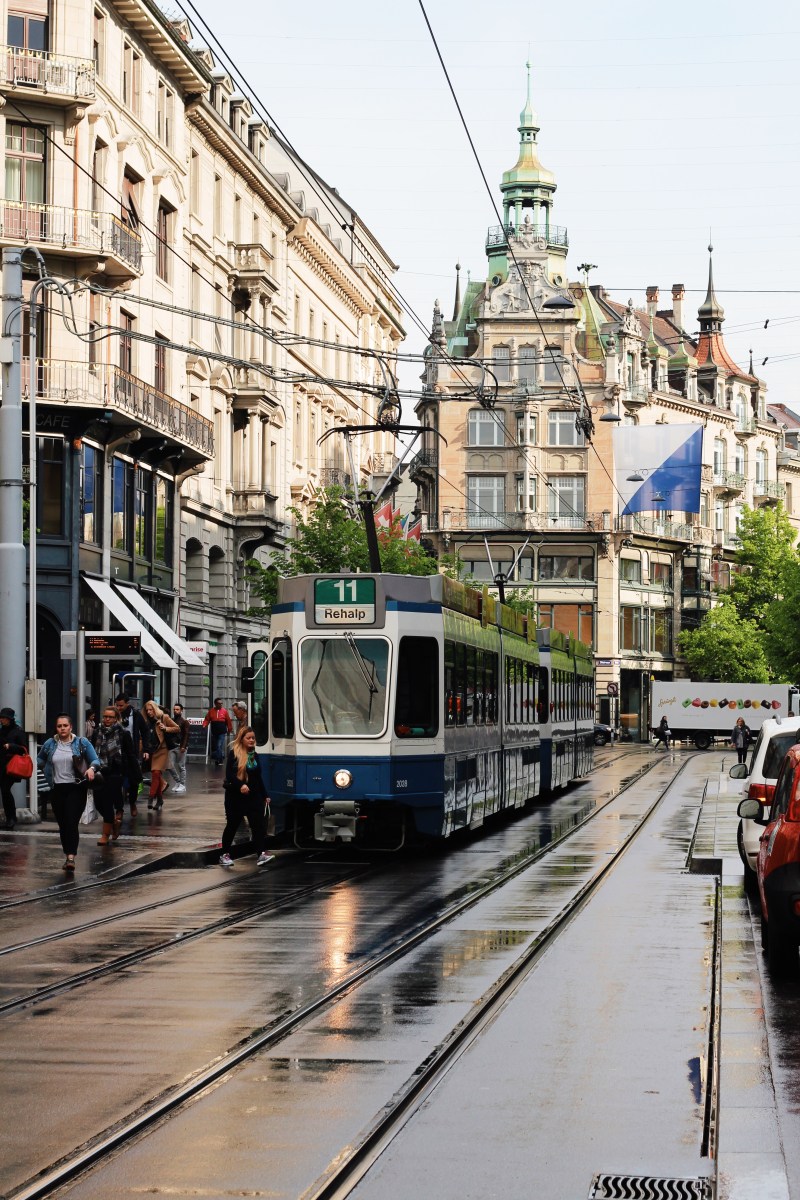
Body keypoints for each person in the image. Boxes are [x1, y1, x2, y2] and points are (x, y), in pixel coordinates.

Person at [38, 713, 101, 870]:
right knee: (63, 824)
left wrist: (92, 769)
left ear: (71, 727)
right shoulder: (50, 744)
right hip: (57, 789)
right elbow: (40, 760)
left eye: (65, 725)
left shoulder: (81, 742)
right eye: (59, 726)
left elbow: (95, 760)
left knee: (71, 822)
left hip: (76, 787)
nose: (62, 728)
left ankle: (70, 858)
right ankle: (67, 853)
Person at [219, 725, 273, 868]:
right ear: (241, 739)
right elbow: (229, 775)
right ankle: (224, 854)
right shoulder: (234, 754)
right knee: (232, 825)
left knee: (258, 826)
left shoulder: (254, 754)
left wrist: (265, 795)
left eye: (253, 738)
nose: (251, 740)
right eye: (248, 738)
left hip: (253, 796)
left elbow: (257, 777)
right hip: (235, 797)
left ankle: (261, 854)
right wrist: (240, 785)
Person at [91, 707, 137, 844]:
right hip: (99, 770)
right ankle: (114, 824)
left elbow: (130, 754)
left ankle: (105, 835)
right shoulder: (96, 732)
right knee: (98, 802)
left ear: (116, 718)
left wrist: (133, 773)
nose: (107, 719)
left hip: (116, 772)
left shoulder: (123, 733)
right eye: (105, 716)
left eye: (110, 717)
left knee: (107, 802)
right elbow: (93, 751)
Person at [141, 701, 180, 810]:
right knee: (156, 776)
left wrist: (165, 728)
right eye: (147, 710)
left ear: (155, 709)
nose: (149, 712)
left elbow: (177, 728)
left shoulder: (164, 717)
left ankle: (151, 797)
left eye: (151, 709)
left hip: (162, 750)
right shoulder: (145, 721)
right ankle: (160, 800)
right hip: (150, 751)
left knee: (156, 773)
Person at [114, 695, 147, 817]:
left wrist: (146, 749)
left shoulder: (136, 715)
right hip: (116, 753)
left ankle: (133, 803)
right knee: (116, 782)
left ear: (127, 703)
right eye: (117, 705)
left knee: (134, 782)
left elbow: (145, 731)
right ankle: (119, 808)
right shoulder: (114, 715)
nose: (119, 707)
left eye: (121, 705)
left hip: (131, 753)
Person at [0, 706, 27, 830]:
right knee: (4, 792)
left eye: (4, 718)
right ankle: (9, 817)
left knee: (5, 790)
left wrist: (10, 746)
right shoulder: (1, 731)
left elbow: (23, 749)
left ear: (10, 719)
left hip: (11, 767)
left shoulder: (18, 731)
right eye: (1, 718)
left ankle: (11, 817)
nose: (2, 720)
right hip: (1, 765)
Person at [164, 703, 190, 794]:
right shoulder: (171, 720)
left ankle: (182, 785)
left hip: (180, 746)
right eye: (174, 709)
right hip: (172, 746)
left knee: (181, 766)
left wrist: (183, 746)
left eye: (177, 709)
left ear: (181, 710)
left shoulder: (184, 721)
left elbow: (186, 735)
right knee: (170, 766)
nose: (175, 711)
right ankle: (178, 782)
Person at [203, 698, 232, 766]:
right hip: (214, 732)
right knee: (216, 746)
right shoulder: (211, 711)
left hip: (222, 732)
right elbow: (207, 719)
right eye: (219, 703)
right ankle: (218, 758)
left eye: (221, 703)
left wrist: (229, 730)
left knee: (219, 745)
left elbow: (228, 721)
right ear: (215, 704)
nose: (221, 704)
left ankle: (220, 760)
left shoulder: (224, 711)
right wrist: (204, 725)